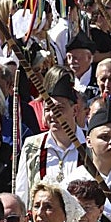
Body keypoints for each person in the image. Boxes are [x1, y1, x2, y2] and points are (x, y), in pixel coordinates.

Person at [16, 73, 85, 206]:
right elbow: (22, 193)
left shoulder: (90, 144)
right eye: (47, 109)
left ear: (75, 110)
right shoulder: (32, 146)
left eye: (59, 108)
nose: (52, 115)